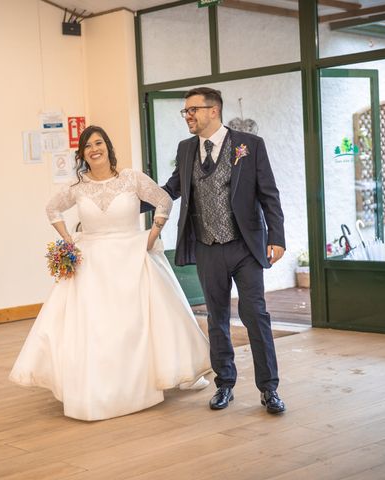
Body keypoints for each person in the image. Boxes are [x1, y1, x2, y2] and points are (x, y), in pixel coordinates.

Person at [9, 125, 211, 421]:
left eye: (99, 142)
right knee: (97, 328)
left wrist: (153, 233)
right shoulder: (78, 188)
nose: (94, 149)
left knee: (138, 323)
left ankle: (148, 380)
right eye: (88, 146)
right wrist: (69, 241)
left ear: (108, 147)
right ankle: (98, 387)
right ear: (82, 154)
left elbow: (164, 200)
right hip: (92, 264)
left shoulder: (131, 179)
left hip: (132, 256)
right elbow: (52, 209)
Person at [159, 87, 286, 414]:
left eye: (192, 110)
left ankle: (269, 389)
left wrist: (278, 237)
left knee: (255, 316)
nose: (188, 116)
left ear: (212, 110)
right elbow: (173, 188)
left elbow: (269, 194)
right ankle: (225, 384)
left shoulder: (249, 145)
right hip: (207, 247)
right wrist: (133, 199)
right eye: (185, 111)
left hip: (245, 246)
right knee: (216, 318)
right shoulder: (186, 149)